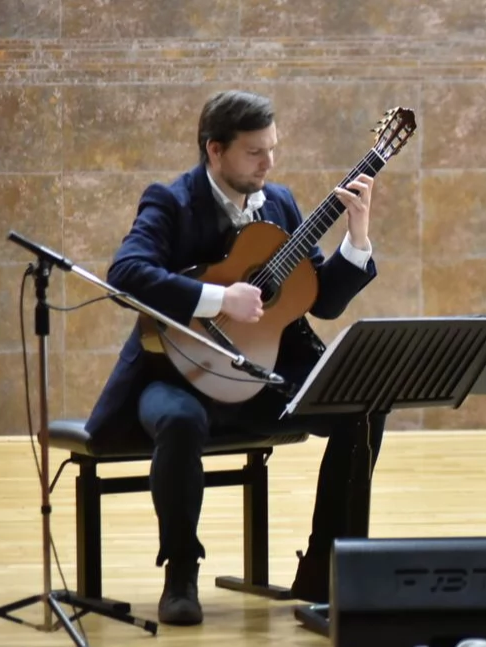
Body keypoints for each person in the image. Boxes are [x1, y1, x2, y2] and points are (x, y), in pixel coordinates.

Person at [85, 89, 385, 625]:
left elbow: (322, 299)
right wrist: (220, 298)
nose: (269, 163)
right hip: (176, 377)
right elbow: (125, 275)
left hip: (259, 380)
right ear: (214, 150)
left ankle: (328, 567)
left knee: (363, 406)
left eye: (272, 149)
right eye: (255, 152)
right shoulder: (171, 201)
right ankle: (181, 572)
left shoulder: (281, 203)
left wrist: (357, 239)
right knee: (178, 422)